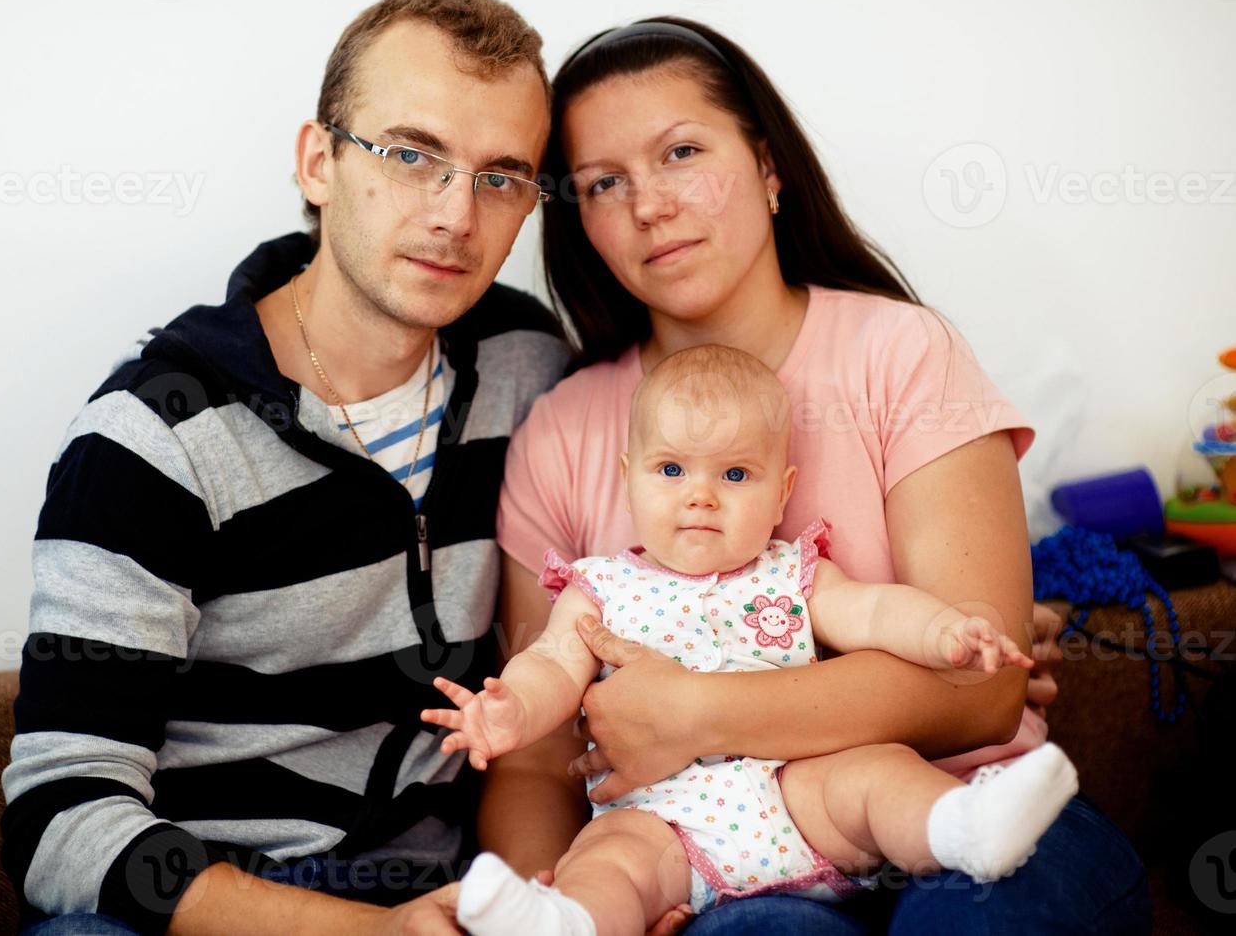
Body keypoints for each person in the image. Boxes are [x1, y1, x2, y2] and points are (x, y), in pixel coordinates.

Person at [484, 19, 1152, 934]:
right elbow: (531, 760)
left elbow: (985, 685)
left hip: (956, 808)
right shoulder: (560, 432)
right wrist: (558, 901)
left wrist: (696, 713)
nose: (649, 205)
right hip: (716, 863)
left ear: (767, 169)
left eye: (682, 152)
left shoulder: (899, 353)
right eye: (604, 183)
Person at [0, 0, 569, 936]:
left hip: (440, 899)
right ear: (319, 162)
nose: (456, 215)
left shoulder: (528, 370)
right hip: (218, 907)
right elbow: (59, 824)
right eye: (410, 153)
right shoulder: (154, 439)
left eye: (500, 176)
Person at [428, 345, 1078, 935]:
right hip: (663, 824)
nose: (701, 497)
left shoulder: (792, 572)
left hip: (795, 792)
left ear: (780, 493)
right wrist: (510, 708)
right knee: (607, 860)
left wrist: (945, 631)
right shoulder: (599, 588)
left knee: (876, 776)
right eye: (671, 469)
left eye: (735, 475)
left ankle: (964, 829)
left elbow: (873, 611)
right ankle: (562, 924)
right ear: (628, 478)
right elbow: (549, 663)